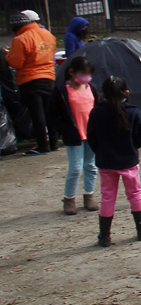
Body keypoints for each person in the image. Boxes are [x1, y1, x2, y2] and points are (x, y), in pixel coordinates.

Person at [86, 76, 141, 247]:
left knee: (107, 197)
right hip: (128, 161)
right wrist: (131, 147)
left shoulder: (97, 112)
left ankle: (104, 236)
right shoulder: (135, 112)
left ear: (102, 94)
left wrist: (100, 151)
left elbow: (91, 137)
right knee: (135, 194)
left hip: (106, 162)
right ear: (126, 93)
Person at [49, 56, 99, 215]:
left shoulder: (92, 88)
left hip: (91, 134)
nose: (86, 77)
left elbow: (98, 110)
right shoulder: (61, 91)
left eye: (88, 74)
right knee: (76, 168)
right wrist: (65, 130)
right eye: (83, 73)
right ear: (72, 72)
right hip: (74, 136)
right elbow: (51, 114)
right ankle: (69, 198)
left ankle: (89, 195)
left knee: (91, 166)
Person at [6, 11, 58, 155]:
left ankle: (43, 146)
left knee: (37, 115)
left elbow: (16, 62)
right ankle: (54, 143)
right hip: (48, 77)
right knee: (49, 112)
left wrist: (7, 55)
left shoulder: (20, 39)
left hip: (30, 79)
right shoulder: (48, 35)